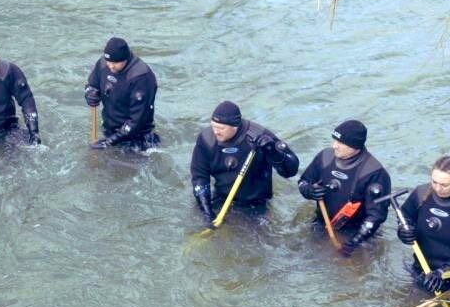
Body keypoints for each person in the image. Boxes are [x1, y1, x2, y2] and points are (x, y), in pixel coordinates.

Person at [190, 101, 299, 224]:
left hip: (256, 203)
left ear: (235, 126)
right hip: (222, 197)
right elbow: (199, 176)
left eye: (221, 128)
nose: (216, 132)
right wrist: (207, 212)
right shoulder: (206, 140)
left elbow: (291, 171)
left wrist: (273, 151)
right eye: (213, 126)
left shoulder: (258, 135)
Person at [297, 119, 391, 256]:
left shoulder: (374, 173)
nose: (334, 146)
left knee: (352, 270)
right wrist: (309, 191)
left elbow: (376, 216)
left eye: (340, 142)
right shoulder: (325, 157)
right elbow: (304, 181)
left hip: (357, 231)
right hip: (322, 222)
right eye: (334, 140)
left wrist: (354, 241)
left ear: (355, 146)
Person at [85, 36, 159, 150]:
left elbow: (137, 120)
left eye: (114, 63)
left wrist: (109, 143)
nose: (110, 66)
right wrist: (90, 93)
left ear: (125, 59)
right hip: (111, 129)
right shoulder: (103, 64)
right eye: (108, 61)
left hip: (137, 138)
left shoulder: (141, 77)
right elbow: (92, 84)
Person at [397, 156, 450, 295]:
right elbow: (405, 217)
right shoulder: (421, 194)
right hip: (421, 268)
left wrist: (442, 273)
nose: (437, 188)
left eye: (444, 185)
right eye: (434, 182)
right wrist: (404, 232)